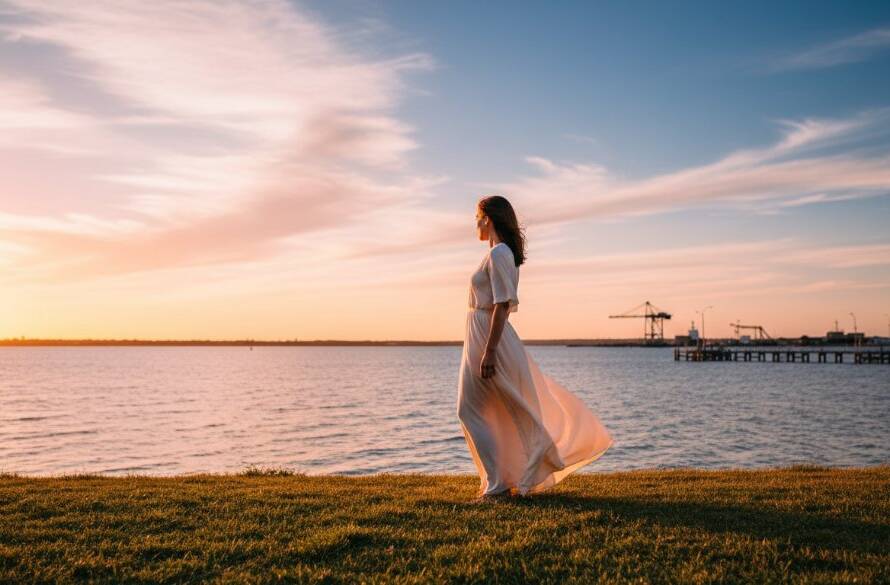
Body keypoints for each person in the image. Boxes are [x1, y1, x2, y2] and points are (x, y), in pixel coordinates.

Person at [457, 195, 613, 500]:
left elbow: (503, 305)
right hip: (480, 336)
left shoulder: (500, 253)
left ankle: (497, 486)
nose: (475, 223)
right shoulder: (495, 254)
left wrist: (489, 351)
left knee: (470, 409)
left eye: (477, 216)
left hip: (490, 340)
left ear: (489, 218)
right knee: (485, 410)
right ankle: (499, 480)